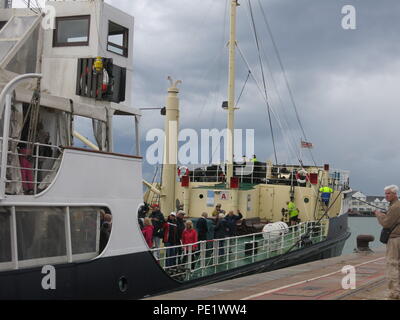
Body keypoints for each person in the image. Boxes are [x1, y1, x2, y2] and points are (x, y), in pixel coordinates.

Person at [375, 185, 400, 300]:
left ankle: (394, 293)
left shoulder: (395, 206)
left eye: (388, 193)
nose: (386, 196)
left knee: (392, 265)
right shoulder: (394, 206)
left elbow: (386, 224)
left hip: (395, 240)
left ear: (395, 194)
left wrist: (378, 214)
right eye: (385, 193)